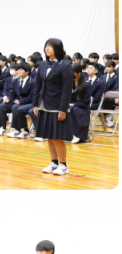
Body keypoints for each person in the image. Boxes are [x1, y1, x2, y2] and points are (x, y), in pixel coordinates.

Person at [33, 38, 73, 175]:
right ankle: (54, 162)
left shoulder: (65, 66)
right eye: (46, 46)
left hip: (57, 105)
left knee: (57, 137)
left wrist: (63, 109)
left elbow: (67, 90)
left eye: (50, 46)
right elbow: (37, 85)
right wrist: (35, 104)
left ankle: (63, 165)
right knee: (49, 136)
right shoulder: (43, 64)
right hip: (44, 104)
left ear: (57, 48)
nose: (47, 48)